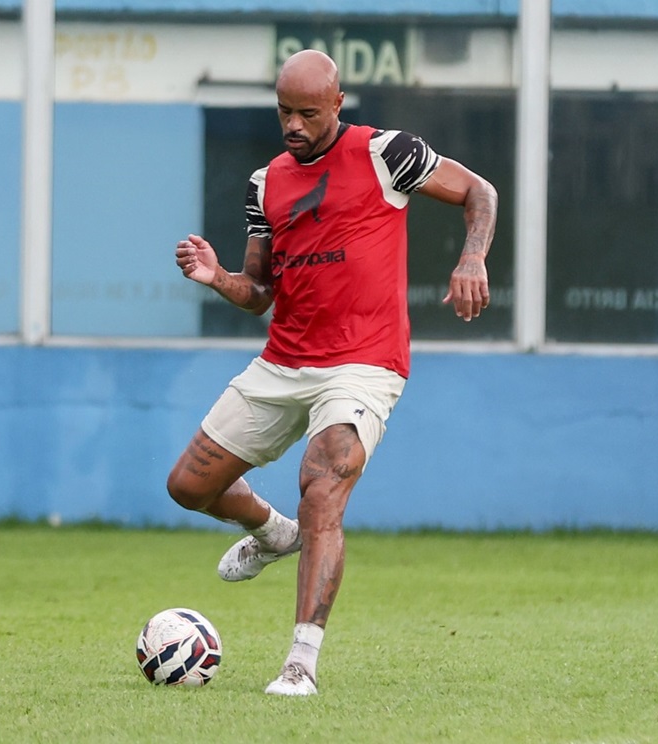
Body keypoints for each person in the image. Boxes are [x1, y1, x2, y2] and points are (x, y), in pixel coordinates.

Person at [165, 49, 497, 695]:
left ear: (337, 105)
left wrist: (473, 259)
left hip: (364, 362)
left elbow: (478, 190)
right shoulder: (265, 184)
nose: (293, 124)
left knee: (321, 485)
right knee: (187, 486)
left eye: (307, 113)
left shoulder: (386, 154)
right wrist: (216, 279)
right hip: (285, 360)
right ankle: (271, 532)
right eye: (284, 111)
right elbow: (260, 291)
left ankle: (300, 665)